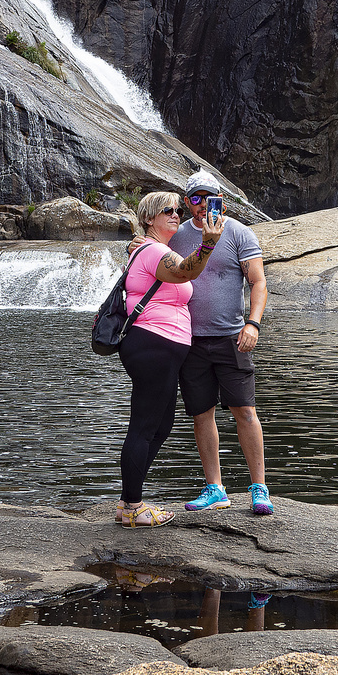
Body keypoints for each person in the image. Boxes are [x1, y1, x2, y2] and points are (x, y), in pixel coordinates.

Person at [113, 191, 225, 529]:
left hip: (161, 347)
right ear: (149, 218)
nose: (176, 214)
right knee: (145, 425)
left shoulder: (147, 248)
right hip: (154, 345)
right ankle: (133, 506)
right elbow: (185, 271)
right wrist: (207, 244)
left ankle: (128, 499)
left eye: (179, 209)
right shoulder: (155, 251)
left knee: (160, 425)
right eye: (168, 210)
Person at [168, 170, 272, 516]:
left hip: (231, 337)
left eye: (208, 198)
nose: (201, 205)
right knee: (201, 414)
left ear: (220, 200)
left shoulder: (239, 232)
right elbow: (156, 260)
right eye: (194, 198)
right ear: (186, 203)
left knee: (245, 411)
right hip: (191, 340)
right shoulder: (177, 236)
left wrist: (253, 323)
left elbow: (258, 282)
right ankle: (215, 488)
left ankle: (259, 488)